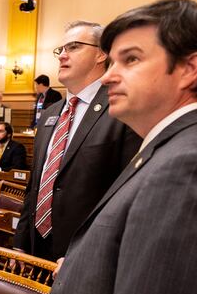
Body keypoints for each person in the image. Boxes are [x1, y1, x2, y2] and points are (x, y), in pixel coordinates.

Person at [22, 0, 197, 294]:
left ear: (189, 68)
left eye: (130, 60)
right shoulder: (168, 145)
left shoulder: (192, 162)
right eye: (111, 62)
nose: (110, 76)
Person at [13, 20, 141, 262]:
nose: (62, 56)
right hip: (34, 249)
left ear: (101, 54)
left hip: (86, 255)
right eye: (60, 50)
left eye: (73, 47)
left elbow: (125, 197)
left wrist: (89, 253)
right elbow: (35, 186)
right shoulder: (50, 114)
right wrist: (20, 243)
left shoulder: (121, 110)